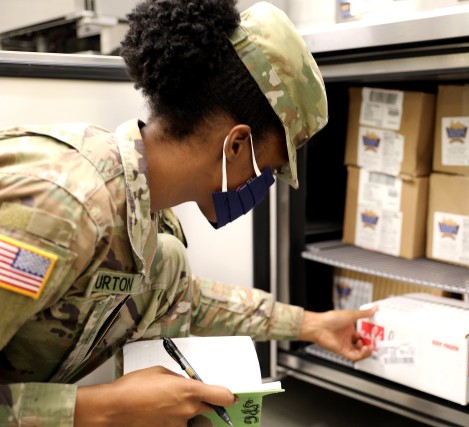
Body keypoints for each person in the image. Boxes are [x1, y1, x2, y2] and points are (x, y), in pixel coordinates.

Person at [0, 1, 376, 426]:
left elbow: (185, 298)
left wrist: (312, 325)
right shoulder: (64, 207)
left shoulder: (144, 214)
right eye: (268, 169)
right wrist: (106, 410)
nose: (263, 186)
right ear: (236, 145)